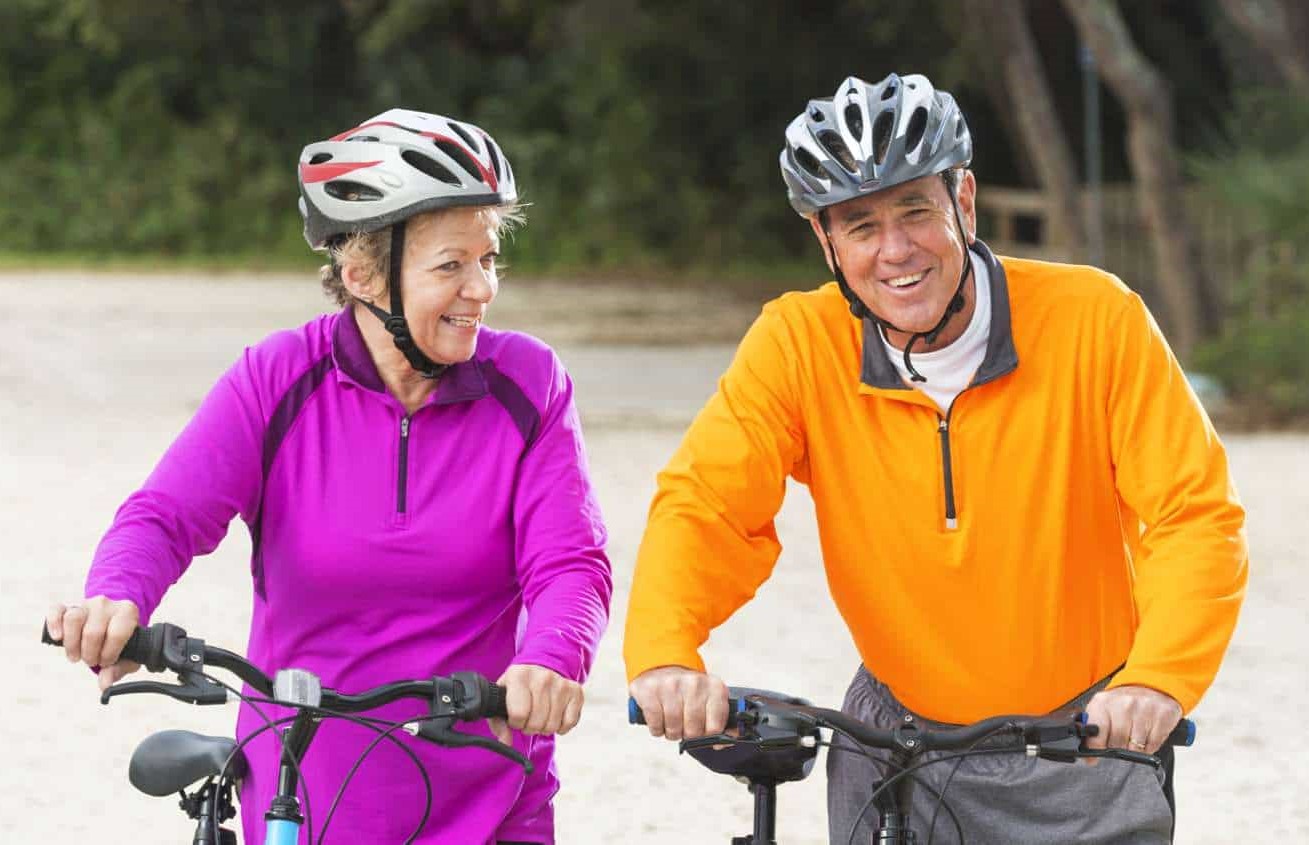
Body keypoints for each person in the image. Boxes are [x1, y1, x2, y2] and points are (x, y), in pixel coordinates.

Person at [623, 73, 1247, 843]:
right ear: (825, 242)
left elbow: (1192, 516)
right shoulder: (796, 342)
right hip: (897, 743)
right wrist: (664, 653)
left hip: (1084, 738)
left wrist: (1157, 679)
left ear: (964, 201)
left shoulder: (1097, 319)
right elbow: (707, 505)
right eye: (859, 225)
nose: (895, 250)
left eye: (915, 209)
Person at [46, 108, 612, 844]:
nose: (482, 288)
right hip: (306, 785)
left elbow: (570, 560)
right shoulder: (276, 379)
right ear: (360, 275)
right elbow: (164, 514)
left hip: (489, 783)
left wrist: (549, 659)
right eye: (451, 265)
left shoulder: (528, 383)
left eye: (488, 257)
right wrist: (116, 596)